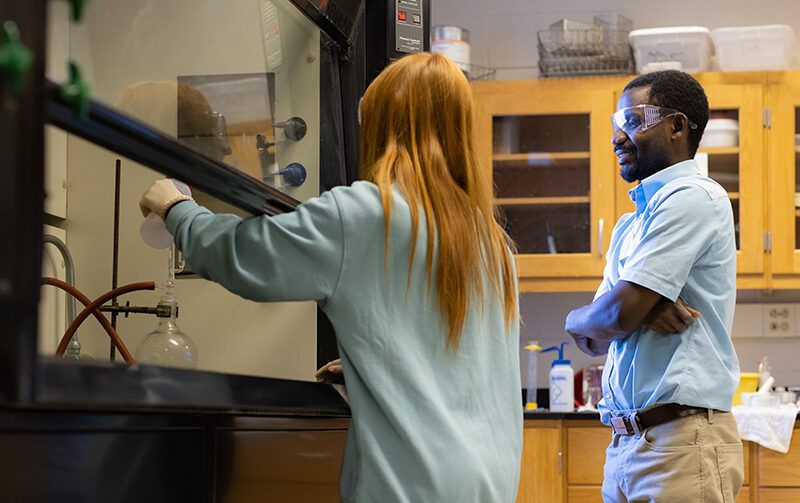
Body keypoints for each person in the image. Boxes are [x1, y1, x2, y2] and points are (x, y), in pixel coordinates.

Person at [139, 52, 522, 502]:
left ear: (380, 128)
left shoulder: (362, 213)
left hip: (410, 487)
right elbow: (460, 355)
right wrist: (372, 361)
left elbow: (243, 257)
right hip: (492, 482)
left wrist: (177, 209)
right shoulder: (492, 241)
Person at [564, 70, 743, 503]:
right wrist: (601, 316)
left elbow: (615, 316)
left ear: (677, 126)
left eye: (632, 120)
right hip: (627, 443)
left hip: (681, 442)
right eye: (615, 124)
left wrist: (626, 311)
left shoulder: (693, 197)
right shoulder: (630, 224)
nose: (617, 137)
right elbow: (592, 337)